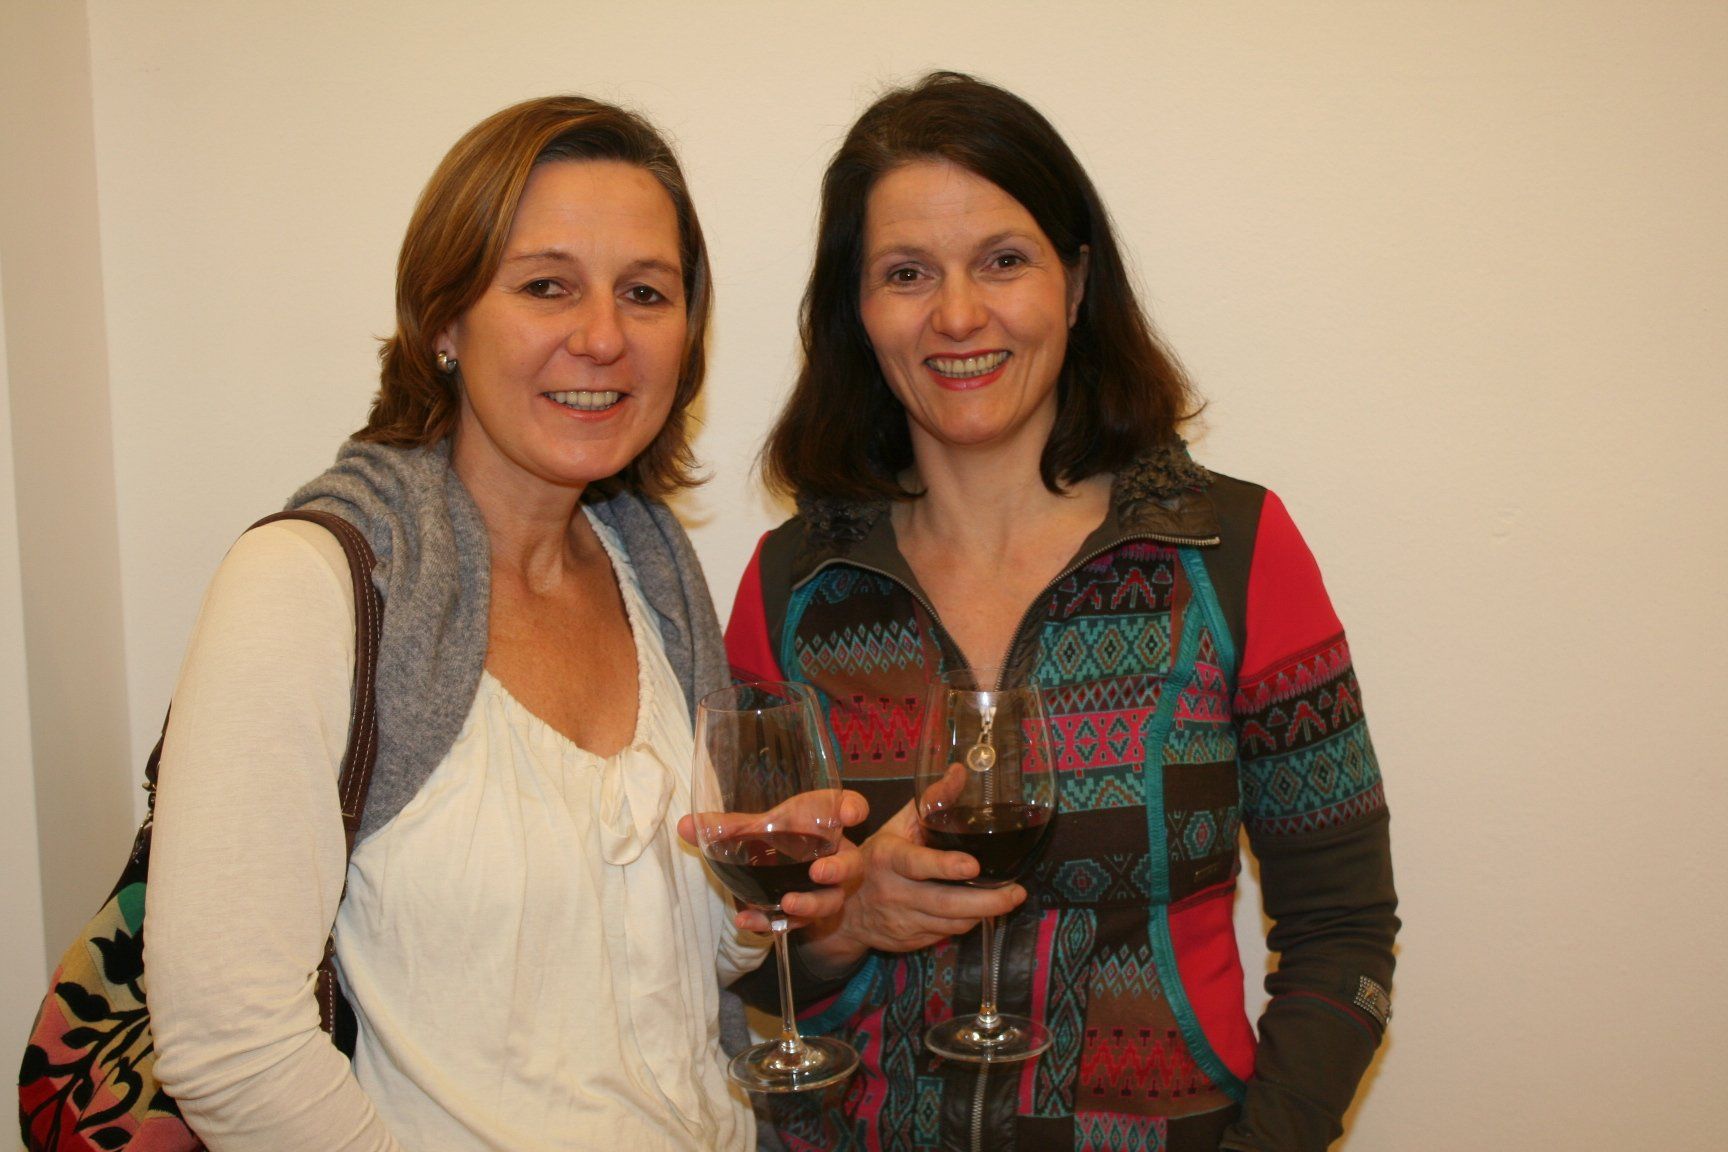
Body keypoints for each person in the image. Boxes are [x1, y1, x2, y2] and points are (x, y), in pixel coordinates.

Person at [144, 95, 860, 1151]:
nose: (603, 337)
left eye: (645, 293)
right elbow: (228, 1046)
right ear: (444, 322)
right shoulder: (310, 585)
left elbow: (662, 984)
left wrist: (757, 907)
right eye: (545, 286)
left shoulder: (653, 571)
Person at [725, 72, 1399, 1151]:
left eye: (1004, 260)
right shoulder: (790, 587)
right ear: (858, 310)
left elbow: (1344, 931)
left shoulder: (1231, 552)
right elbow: (752, 965)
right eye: (906, 273)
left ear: (1076, 284)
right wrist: (849, 924)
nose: (958, 315)